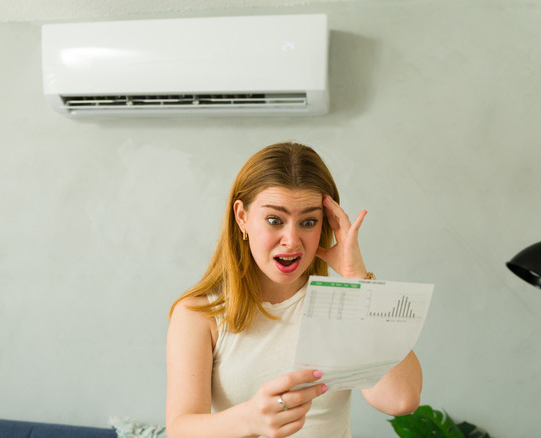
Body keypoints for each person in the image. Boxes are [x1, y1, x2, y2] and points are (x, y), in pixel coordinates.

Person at [166, 142, 422, 438]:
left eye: (308, 222)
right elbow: (179, 430)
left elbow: (400, 400)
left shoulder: (344, 303)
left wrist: (357, 280)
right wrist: (250, 419)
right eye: (275, 220)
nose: (292, 239)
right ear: (242, 217)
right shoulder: (199, 313)